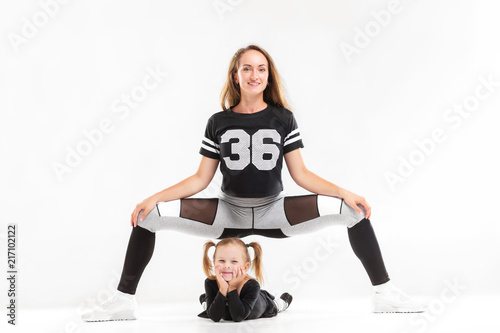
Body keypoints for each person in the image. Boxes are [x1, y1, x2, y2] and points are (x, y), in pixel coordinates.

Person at [81, 44, 424, 322]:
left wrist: (344, 192)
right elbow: (202, 178)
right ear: (236, 75)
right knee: (147, 217)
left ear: (268, 75)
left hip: (276, 211)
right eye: (247, 68)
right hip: (228, 213)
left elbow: (300, 175)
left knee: (354, 213)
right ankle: (123, 300)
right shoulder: (219, 121)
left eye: (261, 68)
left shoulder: (283, 118)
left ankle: (385, 294)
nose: (254, 74)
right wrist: (152, 197)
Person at [198, 237, 292, 322]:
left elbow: (238, 317)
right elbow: (214, 317)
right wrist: (223, 289)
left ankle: (280, 301)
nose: (227, 266)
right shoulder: (210, 282)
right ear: (214, 263)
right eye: (221, 261)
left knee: (274, 304)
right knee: (206, 301)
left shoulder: (252, 286)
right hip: (227, 310)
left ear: (245, 266)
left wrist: (232, 287)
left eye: (234, 261)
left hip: (263, 304)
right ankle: (209, 303)